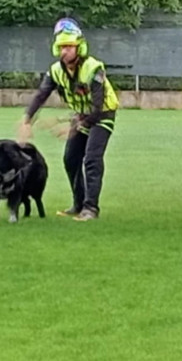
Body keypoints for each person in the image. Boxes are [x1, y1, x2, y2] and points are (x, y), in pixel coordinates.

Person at [17, 18, 119, 222]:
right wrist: (27, 119)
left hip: (102, 116)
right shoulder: (56, 71)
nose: (64, 51)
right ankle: (79, 204)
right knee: (71, 159)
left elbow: (98, 108)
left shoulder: (93, 68)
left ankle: (91, 209)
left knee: (92, 159)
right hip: (81, 116)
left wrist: (76, 126)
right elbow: (41, 95)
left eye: (69, 47)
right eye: (61, 47)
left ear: (78, 47)